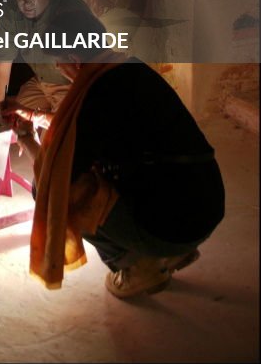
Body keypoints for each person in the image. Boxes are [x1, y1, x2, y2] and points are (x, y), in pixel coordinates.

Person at [11, 31, 225, 299]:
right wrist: (35, 116)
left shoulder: (96, 96)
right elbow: (87, 128)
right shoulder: (127, 70)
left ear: (75, 59)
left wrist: (25, 137)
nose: (57, 69)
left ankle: (137, 266)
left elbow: (56, 176)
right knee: (100, 171)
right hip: (205, 207)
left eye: (59, 62)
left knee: (54, 192)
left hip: (175, 227)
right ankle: (173, 252)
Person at [0, 0, 104, 119]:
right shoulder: (11, 13)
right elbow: (2, 66)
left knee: (58, 133)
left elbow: (87, 71)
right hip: (40, 82)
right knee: (11, 118)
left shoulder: (71, 12)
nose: (26, 2)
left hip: (70, 84)